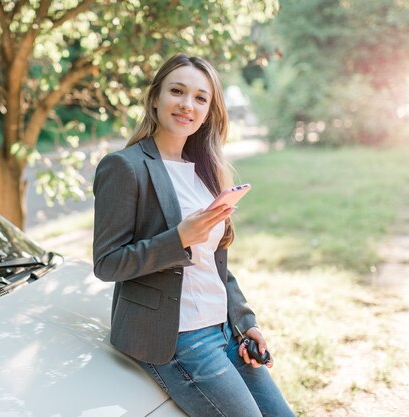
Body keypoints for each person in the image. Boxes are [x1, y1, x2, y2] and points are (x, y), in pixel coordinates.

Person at [92, 53, 295, 417]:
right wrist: (179, 237)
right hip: (178, 339)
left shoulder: (206, 172)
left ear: (209, 110)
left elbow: (214, 262)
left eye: (201, 98)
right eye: (177, 91)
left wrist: (245, 324)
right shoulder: (124, 167)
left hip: (224, 331)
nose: (188, 104)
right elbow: (107, 263)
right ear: (155, 97)